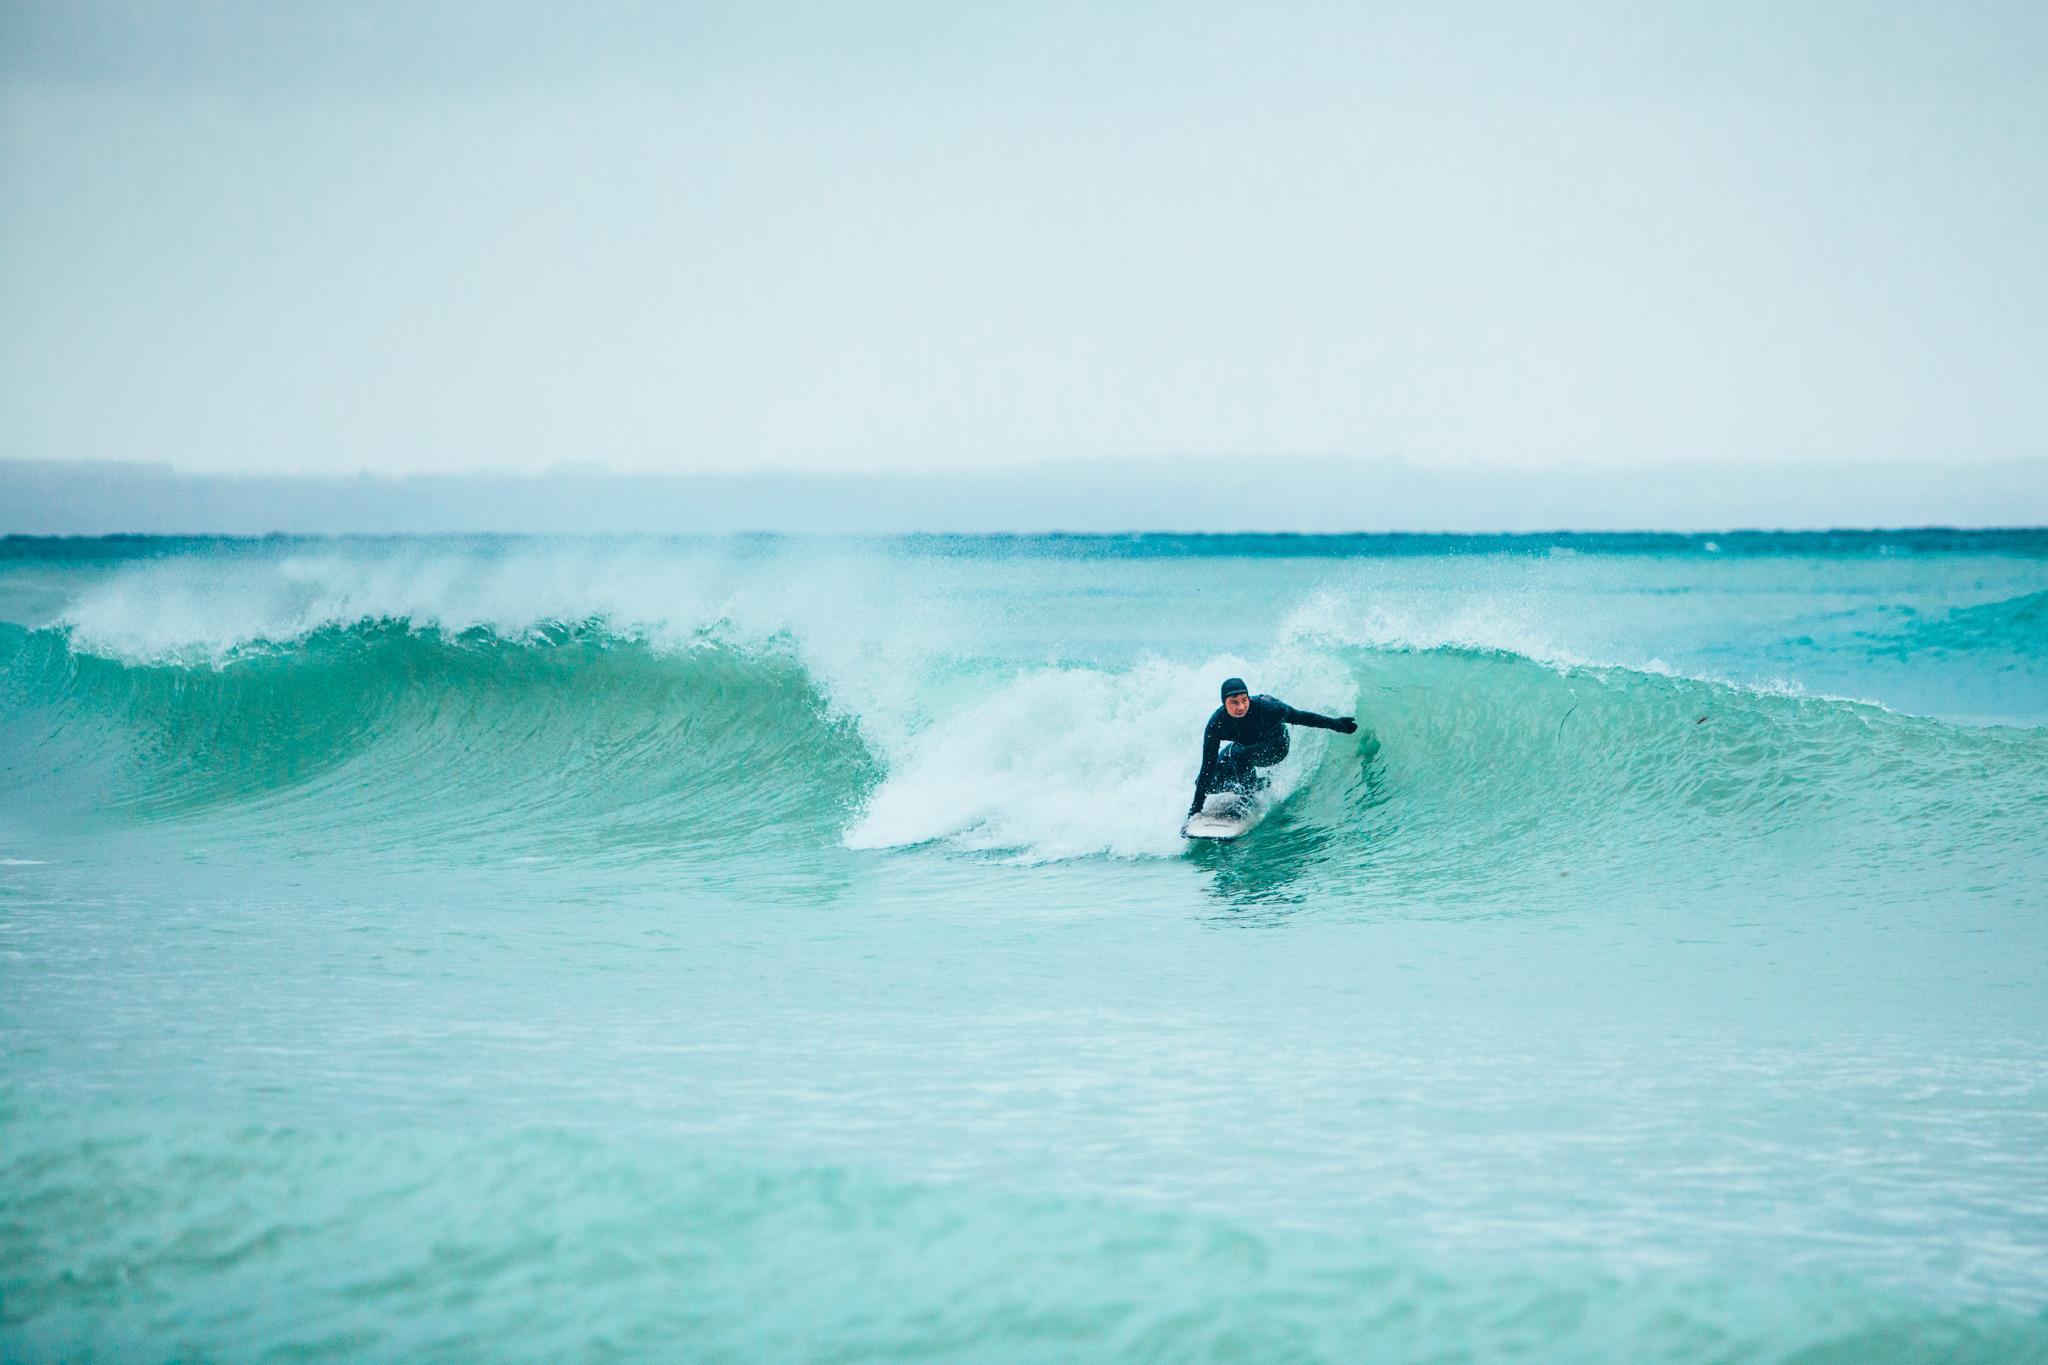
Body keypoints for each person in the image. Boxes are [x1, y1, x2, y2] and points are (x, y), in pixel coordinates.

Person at [1188, 677, 1357, 816]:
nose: (1241, 707)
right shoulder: (1217, 723)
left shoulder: (1268, 707)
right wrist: (1196, 808)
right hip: (1246, 747)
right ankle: (1255, 783)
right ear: (1224, 703)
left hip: (1276, 747)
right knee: (1206, 783)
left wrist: (1336, 724)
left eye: (1244, 700)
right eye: (1234, 702)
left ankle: (1249, 796)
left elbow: (1301, 717)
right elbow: (1207, 767)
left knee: (1238, 753)